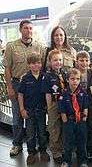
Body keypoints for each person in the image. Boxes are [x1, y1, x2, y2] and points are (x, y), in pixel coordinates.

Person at [2, 20, 46, 156]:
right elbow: (7, 69)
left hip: (36, 86)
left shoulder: (40, 47)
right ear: (20, 30)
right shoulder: (11, 46)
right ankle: (17, 144)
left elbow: (43, 67)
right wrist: (9, 88)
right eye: (26, 28)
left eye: (31, 28)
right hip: (17, 85)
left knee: (37, 116)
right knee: (17, 116)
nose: (29, 30)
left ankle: (39, 147)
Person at [17, 53, 50, 165]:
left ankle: (43, 150)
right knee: (30, 133)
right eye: (33, 63)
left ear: (41, 64)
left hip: (41, 110)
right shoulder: (25, 78)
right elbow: (20, 95)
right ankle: (31, 152)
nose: (36, 65)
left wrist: (48, 108)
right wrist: (22, 109)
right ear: (29, 64)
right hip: (29, 111)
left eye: (38, 63)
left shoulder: (45, 76)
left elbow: (48, 94)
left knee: (42, 132)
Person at [58, 68, 89, 167]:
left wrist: (84, 120)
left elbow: (85, 107)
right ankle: (67, 160)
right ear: (67, 80)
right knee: (68, 142)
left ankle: (83, 161)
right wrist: (65, 122)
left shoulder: (83, 93)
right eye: (72, 79)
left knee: (82, 142)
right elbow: (62, 110)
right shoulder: (64, 94)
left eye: (77, 79)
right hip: (69, 121)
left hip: (80, 121)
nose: (75, 81)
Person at [41, 49, 67, 163]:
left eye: (60, 60)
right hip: (54, 104)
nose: (58, 62)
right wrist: (50, 108)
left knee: (63, 127)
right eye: (55, 60)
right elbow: (47, 94)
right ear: (50, 62)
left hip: (65, 104)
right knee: (54, 128)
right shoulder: (47, 76)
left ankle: (62, 149)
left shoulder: (64, 74)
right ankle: (56, 152)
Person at [75, 51, 92, 161]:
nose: (84, 63)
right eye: (81, 60)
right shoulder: (73, 73)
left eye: (86, 60)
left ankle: (89, 149)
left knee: (90, 127)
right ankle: (79, 149)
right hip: (77, 105)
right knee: (79, 127)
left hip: (90, 105)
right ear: (76, 61)